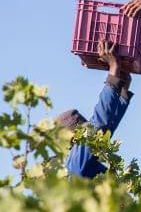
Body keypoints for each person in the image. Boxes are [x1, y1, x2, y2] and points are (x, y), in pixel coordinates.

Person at [56, 40, 133, 178]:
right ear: (73, 140)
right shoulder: (73, 165)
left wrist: (121, 81)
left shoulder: (83, 163)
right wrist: (114, 67)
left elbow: (107, 125)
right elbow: (99, 124)